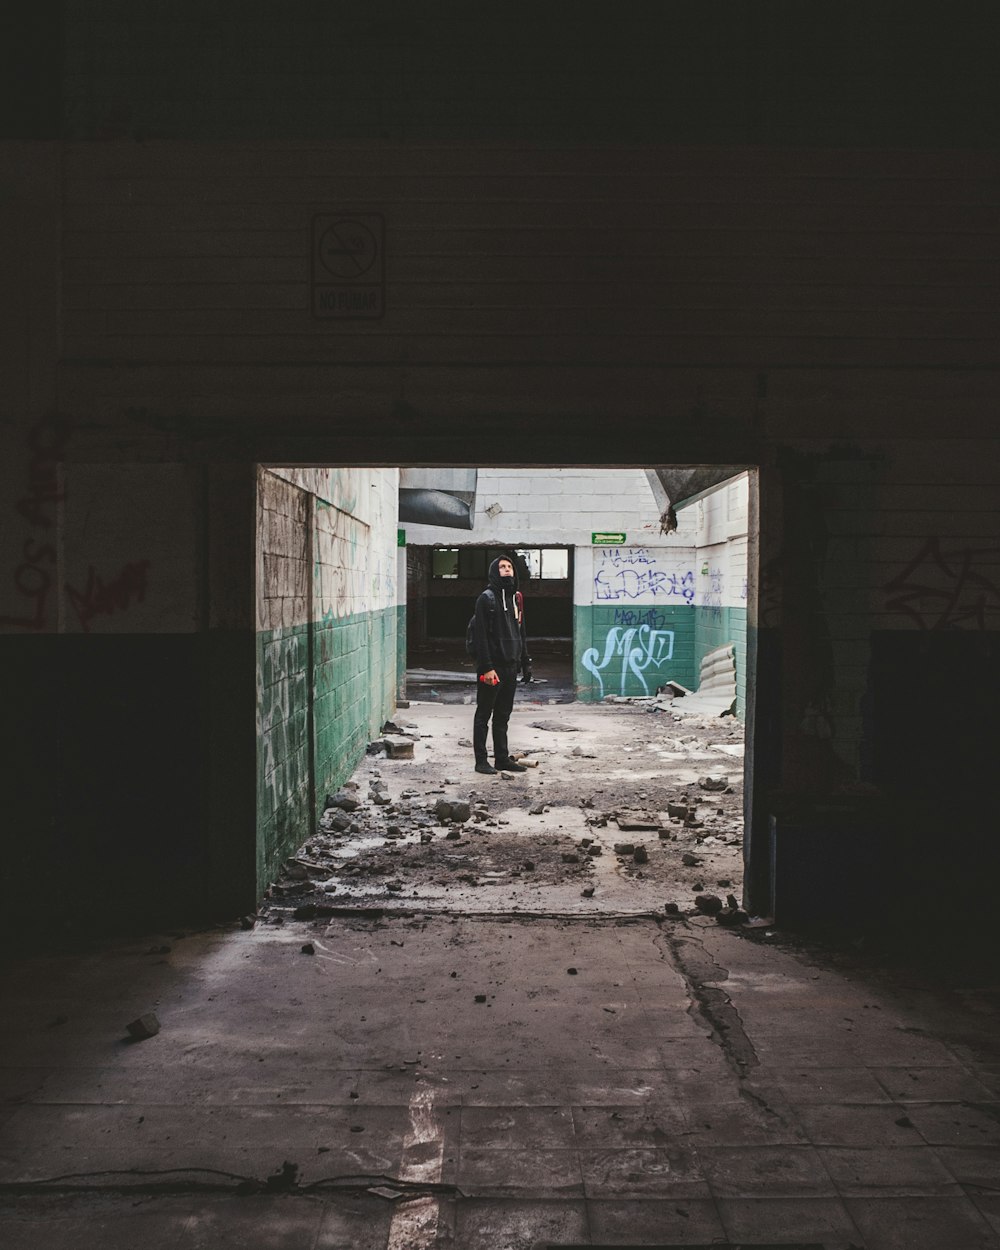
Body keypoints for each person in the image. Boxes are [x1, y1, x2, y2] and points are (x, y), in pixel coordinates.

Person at [471, 555, 530, 774]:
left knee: (503, 715)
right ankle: (480, 761)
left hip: (510, 666)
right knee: (484, 715)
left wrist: (525, 662)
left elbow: (521, 632)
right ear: (495, 572)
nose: (506, 570)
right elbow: (481, 637)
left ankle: (502, 759)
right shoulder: (486, 599)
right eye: (502, 567)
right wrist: (486, 668)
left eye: (509, 567)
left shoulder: (515, 598)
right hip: (492, 669)